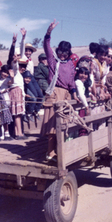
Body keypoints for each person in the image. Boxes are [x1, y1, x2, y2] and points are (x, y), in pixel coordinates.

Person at [41, 19, 79, 162]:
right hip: (54, 93)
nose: (62, 54)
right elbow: (46, 45)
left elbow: (71, 81)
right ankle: (50, 153)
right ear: (57, 51)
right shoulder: (53, 60)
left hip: (66, 95)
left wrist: (74, 94)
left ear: (69, 52)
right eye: (60, 51)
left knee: (63, 125)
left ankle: (60, 151)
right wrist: (49, 32)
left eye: (65, 52)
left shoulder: (70, 64)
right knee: (52, 126)